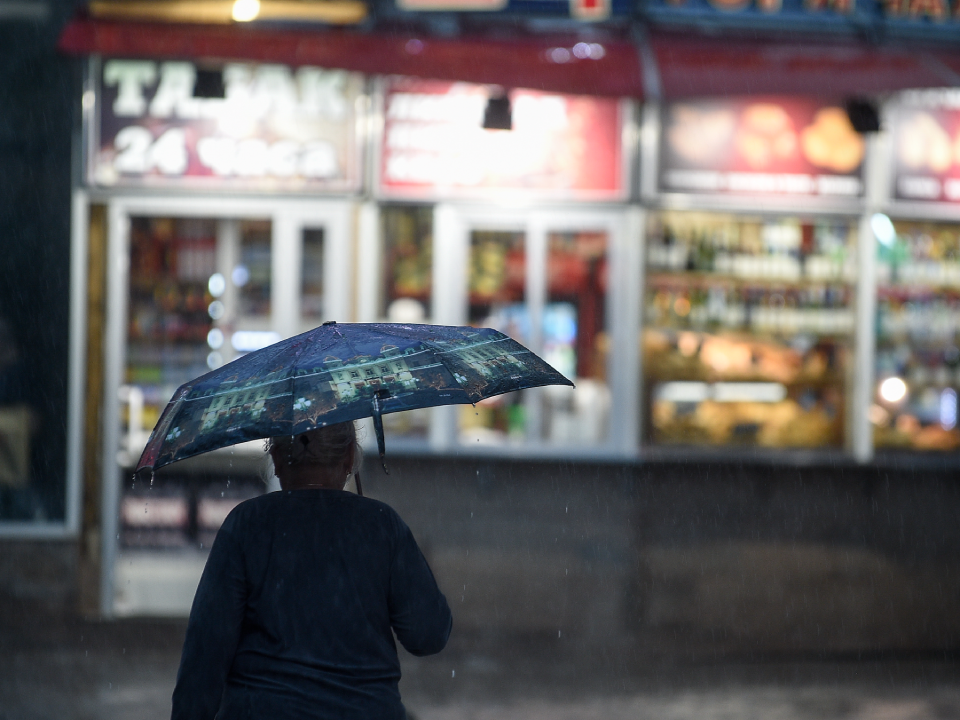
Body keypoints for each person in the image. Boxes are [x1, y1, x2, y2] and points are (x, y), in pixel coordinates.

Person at [171, 421, 452, 720]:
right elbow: (428, 635)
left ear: (277, 459)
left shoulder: (246, 524)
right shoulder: (382, 525)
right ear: (348, 457)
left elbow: (206, 650)